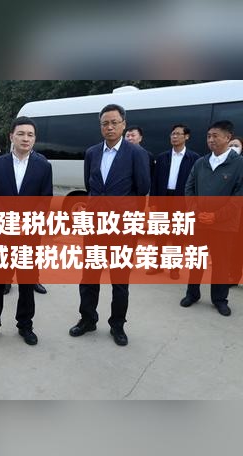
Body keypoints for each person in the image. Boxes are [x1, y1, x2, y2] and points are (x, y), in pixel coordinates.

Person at [69, 104, 150, 346]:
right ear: (100, 126)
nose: (110, 127)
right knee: (89, 277)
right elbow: (90, 186)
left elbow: (142, 188)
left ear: (124, 124)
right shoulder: (92, 152)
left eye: (114, 122)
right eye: (105, 123)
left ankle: (117, 325)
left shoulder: (136, 153)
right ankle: (87, 319)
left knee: (120, 281)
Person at [0, 116, 53, 346]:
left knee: (27, 284)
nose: (25, 138)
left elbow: (45, 200)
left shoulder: (43, 166)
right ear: (12, 136)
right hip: (1, 234)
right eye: (21, 134)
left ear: (34, 139)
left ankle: (25, 326)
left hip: (29, 235)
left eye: (30, 134)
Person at [181, 121, 243, 316]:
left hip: (224, 226)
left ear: (227, 137)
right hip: (199, 222)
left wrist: (216, 216)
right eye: (209, 136)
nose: (211, 140)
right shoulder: (201, 162)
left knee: (221, 264)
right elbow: (189, 188)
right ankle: (192, 294)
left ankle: (220, 299)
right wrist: (196, 212)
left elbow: (238, 197)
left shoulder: (239, 164)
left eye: (215, 136)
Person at [148, 124, 200, 279]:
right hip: (163, 198)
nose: (174, 137)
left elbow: (195, 183)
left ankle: (174, 268)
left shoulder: (194, 158)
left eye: (178, 134)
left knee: (178, 236)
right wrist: (153, 202)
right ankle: (157, 265)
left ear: (186, 137)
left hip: (182, 200)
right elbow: (155, 181)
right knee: (160, 235)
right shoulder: (163, 157)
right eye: (172, 134)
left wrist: (192, 204)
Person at [228, 136, 243, 285]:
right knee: (236, 247)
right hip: (232, 214)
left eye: (236, 145)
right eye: (231, 145)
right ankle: (233, 276)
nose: (233, 148)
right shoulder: (225, 164)